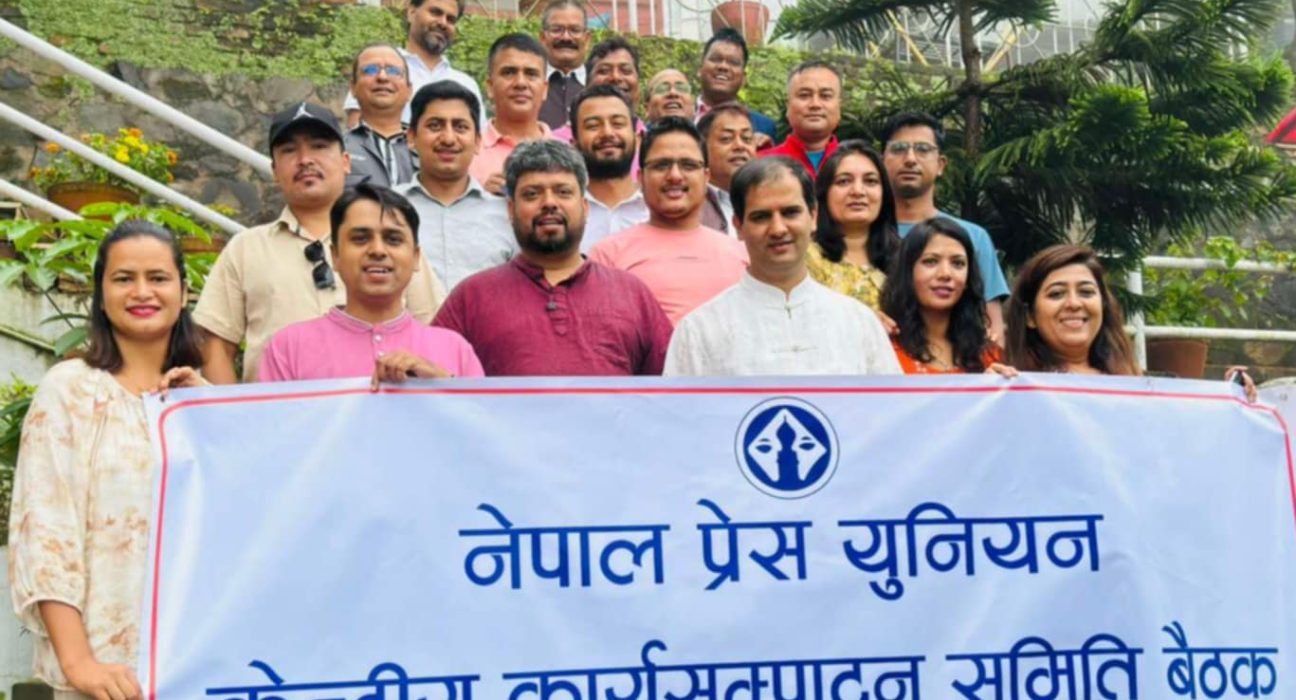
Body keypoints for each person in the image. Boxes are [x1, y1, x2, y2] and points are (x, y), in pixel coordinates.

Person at [9, 221, 207, 700]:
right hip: (107, 674)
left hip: (199, 663)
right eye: (123, 278)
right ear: (100, 295)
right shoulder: (71, 390)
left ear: (183, 292)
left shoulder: (199, 400)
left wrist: (212, 413)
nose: (142, 292)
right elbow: (46, 533)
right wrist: (80, 663)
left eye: (158, 278)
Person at [195, 102, 443, 383]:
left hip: (382, 405)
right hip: (277, 407)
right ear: (274, 170)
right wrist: (232, 408)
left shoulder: (389, 247)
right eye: (289, 150)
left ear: (346, 161)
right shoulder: (245, 249)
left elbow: (432, 330)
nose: (305, 160)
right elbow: (216, 345)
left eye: (319, 146)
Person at [434, 140, 673, 375]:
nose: (549, 203)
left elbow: (672, 385)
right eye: (532, 194)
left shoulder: (631, 294)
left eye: (563, 192)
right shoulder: (472, 297)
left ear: (585, 207)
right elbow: (430, 377)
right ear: (510, 210)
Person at [664, 157, 901, 376]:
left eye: (790, 213)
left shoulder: (858, 322)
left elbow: (890, 407)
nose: (778, 229)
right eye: (761, 217)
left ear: (813, 217)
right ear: (738, 226)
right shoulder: (700, 330)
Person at [260, 184, 483, 384]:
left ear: (416, 257)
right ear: (335, 255)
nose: (377, 250)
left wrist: (442, 383)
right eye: (360, 238)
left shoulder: (455, 350)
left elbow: (479, 417)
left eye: (393, 239)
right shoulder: (289, 348)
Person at [590, 117, 749, 324]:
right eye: (661, 165)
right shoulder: (607, 256)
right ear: (641, 178)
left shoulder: (742, 255)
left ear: (706, 177)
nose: (674, 175)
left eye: (688, 165)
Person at [881, 111, 1011, 342]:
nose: (910, 159)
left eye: (923, 149)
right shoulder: (862, 233)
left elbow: (993, 328)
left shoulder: (973, 237)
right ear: (882, 160)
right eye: (899, 149)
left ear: (941, 164)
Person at [397, 81, 517, 291]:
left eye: (460, 127)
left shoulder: (508, 215)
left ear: (477, 141)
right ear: (411, 137)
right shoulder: (388, 209)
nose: (448, 138)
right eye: (435, 126)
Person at [881, 218, 1003, 374]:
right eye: (930, 262)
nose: (945, 274)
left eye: (958, 264)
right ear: (908, 272)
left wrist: (991, 384)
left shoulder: (988, 356)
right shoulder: (883, 347)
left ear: (968, 279)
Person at [343, 0, 484, 128]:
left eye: (451, 19)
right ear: (411, 12)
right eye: (435, 12)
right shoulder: (380, 69)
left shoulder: (466, 84)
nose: (443, 23)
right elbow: (357, 133)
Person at [1004, 244, 1139, 375]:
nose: (1074, 304)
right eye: (1056, 294)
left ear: (1103, 305)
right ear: (1030, 316)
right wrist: (997, 384)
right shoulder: (1008, 382)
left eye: (1086, 292)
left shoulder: (1134, 384)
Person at [805, 141, 899, 311]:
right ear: (824, 193)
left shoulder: (906, 259)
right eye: (843, 181)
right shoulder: (804, 259)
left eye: (870, 181)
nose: (858, 191)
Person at [469, 33, 556, 195]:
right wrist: (481, 199)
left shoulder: (568, 155)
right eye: (509, 72)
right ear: (490, 86)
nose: (520, 83)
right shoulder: (466, 152)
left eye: (531, 74)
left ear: (545, 89)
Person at [570, 85, 649, 251]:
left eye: (618, 124)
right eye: (593, 126)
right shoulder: (563, 215)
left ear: (637, 139)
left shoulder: (656, 211)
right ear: (574, 144)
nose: (607, 133)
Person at [344, 43, 417, 189]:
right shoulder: (338, 149)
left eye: (394, 71)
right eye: (370, 70)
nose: (382, 77)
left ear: (409, 90)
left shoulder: (427, 148)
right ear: (353, 88)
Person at [695, 28, 776, 147]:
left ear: (743, 78)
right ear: (700, 69)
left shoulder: (764, 126)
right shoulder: (678, 115)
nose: (723, 67)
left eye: (733, 62)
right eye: (716, 59)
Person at [757, 60, 841, 174]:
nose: (815, 104)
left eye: (825, 96)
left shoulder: (857, 165)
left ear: (839, 106)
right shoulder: (760, 164)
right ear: (788, 106)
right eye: (804, 95)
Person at [697, 103, 755, 236]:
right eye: (726, 139)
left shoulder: (768, 198)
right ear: (702, 148)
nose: (740, 146)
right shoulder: (689, 204)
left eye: (747, 139)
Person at [537, 0, 591, 129]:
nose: (566, 37)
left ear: (587, 38)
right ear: (543, 38)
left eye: (575, 30)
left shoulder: (599, 84)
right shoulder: (530, 86)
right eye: (557, 30)